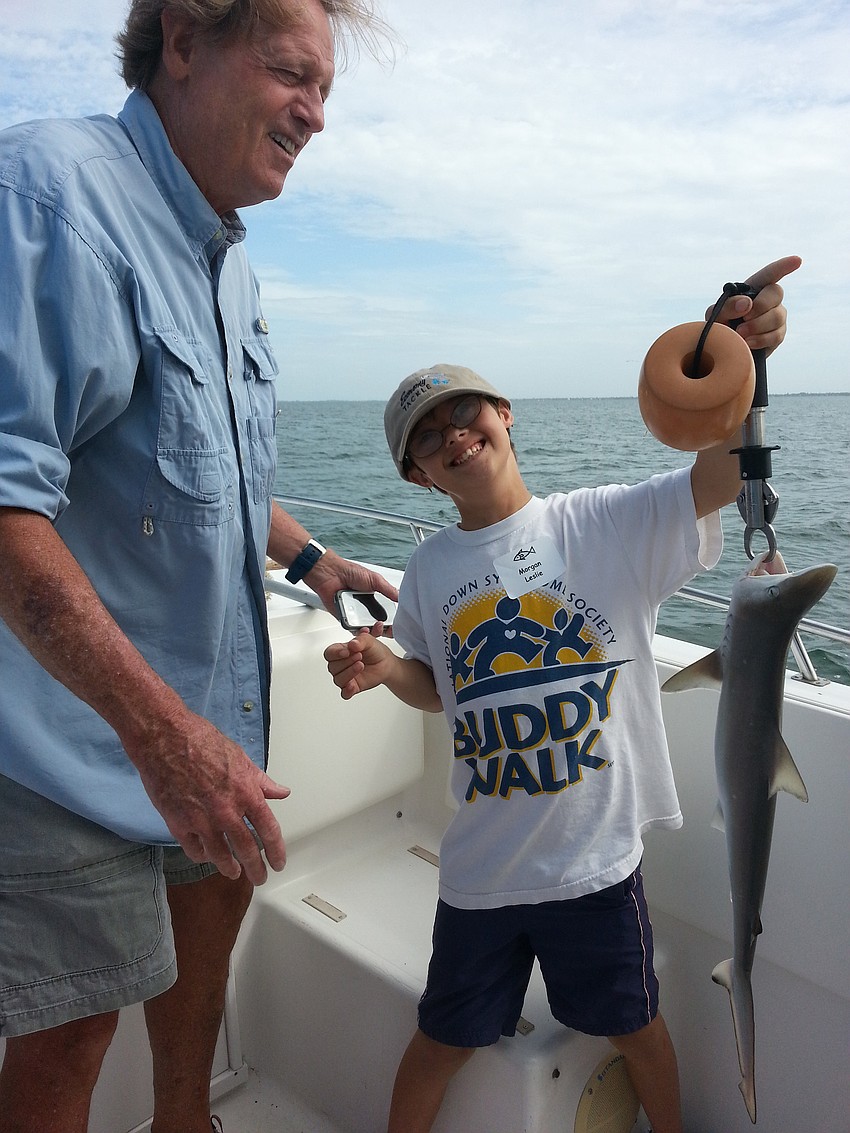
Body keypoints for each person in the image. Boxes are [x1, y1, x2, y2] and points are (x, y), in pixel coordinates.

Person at [0, 3, 395, 1132]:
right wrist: (164, 738)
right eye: (291, 74)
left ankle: (188, 1121)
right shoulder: (47, 194)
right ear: (183, 42)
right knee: (69, 1034)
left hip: (212, 725)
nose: (315, 116)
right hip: (74, 738)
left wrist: (312, 557)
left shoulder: (229, 263)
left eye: (326, 91)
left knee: (203, 953)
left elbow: (205, 462)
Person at [324, 255, 801, 1133]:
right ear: (418, 476)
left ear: (503, 412)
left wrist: (738, 356)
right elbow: (443, 686)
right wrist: (390, 669)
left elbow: (721, 473)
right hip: (481, 872)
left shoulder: (606, 524)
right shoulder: (428, 569)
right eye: (426, 439)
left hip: (595, 865)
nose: (452, 436)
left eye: (463, 412)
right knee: (439, 1038)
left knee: (637, 1028)